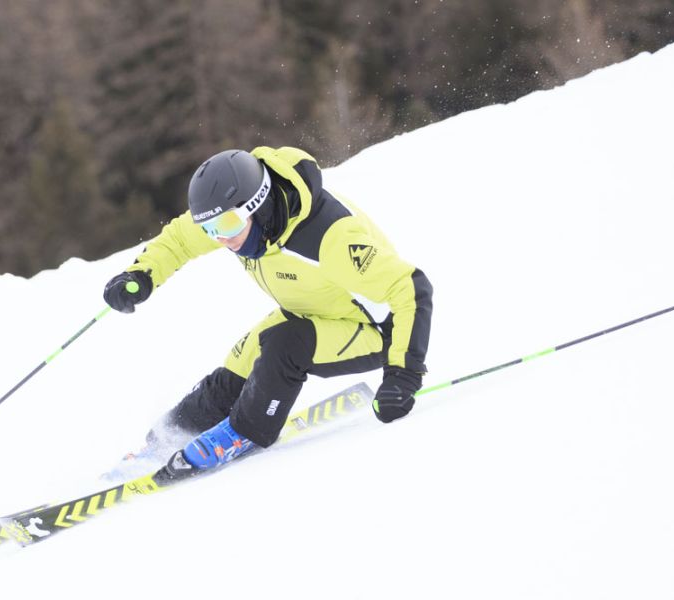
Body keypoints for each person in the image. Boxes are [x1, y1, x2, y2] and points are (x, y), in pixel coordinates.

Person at [103, 147, 432, 475]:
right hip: (312, 313)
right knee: (236, 369)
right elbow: (180, 239)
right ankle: (163, 442)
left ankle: (245, 431)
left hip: (378, 330)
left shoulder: (331, 237)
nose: (222, 238)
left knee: (285, 344)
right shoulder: (239, 223)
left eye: (227, 225)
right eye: (210, 229)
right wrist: (141, 275)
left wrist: (403, 376)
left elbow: (410, 288)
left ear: (259, 205)